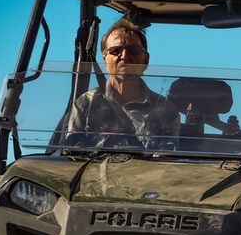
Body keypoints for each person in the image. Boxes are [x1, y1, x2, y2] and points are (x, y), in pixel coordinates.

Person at [64, 19, 179, 148]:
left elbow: (167, 160)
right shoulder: (85, 103)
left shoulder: (164, 109)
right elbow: (72, 156)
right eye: (115, 51)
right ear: (105, 60)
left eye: (133, 50)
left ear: (145, 60)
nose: (124, 56)